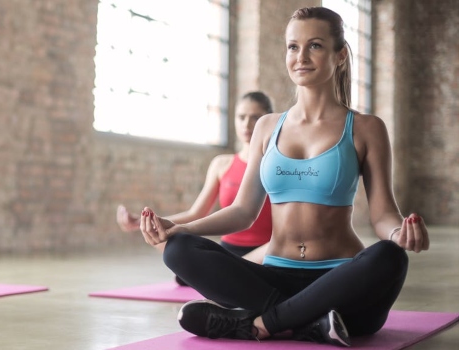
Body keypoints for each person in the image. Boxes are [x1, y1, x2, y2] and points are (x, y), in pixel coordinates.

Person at [138, 7, 428, 347]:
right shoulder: (267, 127)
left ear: (341, 55)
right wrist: (179, 227)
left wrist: (399, 233)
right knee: (178, 250)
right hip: (273, 278)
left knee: (389, 257)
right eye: (293, 47)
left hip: (339, 282)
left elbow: (382, 214)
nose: (301, 56)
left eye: (315, 46)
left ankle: (258, 324)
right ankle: (306, 323)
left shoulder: (365, 128)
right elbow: (243, 212)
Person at [117, 92, 275, 270]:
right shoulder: (221, 164)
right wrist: (144, 223)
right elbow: (196, 214)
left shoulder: (277, 163)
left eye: (255, 118)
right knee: (174, 244)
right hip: (228, 251)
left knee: (267, 255)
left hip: (265, 251)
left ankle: (228, 273)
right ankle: (230, 272)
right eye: (241, 117)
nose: (247, 124)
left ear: (267, 121)